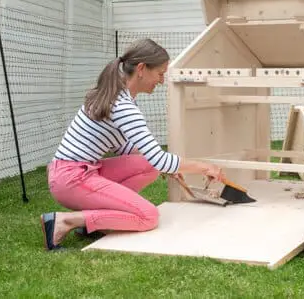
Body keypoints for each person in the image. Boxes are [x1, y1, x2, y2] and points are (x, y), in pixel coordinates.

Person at [40, 38, 226, 251]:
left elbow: (131, 150)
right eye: (160, 73)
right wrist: (206, 167)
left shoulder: (116, 96)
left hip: (74, 172)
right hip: (71, 179)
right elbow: (159, 158)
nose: (161, 80)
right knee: (148, 216)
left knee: (148, 166)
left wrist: (167, 166)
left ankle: (93, 223)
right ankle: (65, 221)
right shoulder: (123, 106)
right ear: (141, 69)